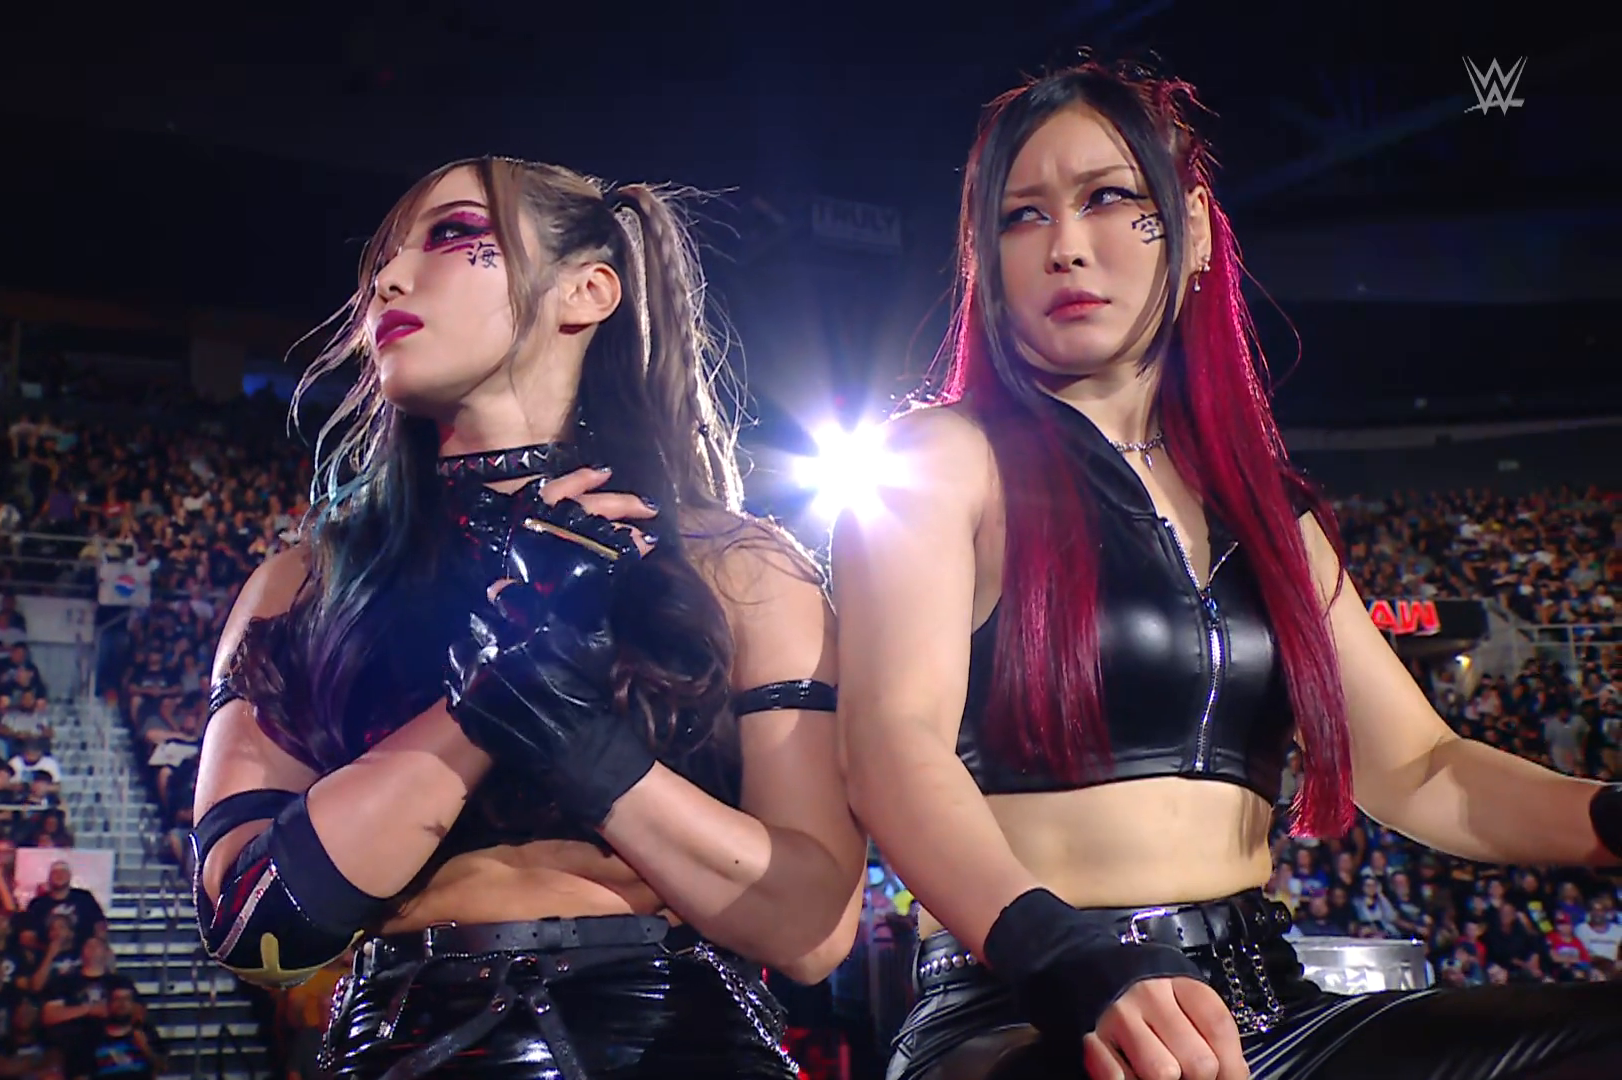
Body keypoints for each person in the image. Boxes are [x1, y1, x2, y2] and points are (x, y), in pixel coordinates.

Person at [833, 59, 1622, 1080]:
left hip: (1268, 1000)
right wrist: (1060, 956)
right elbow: (892, 748)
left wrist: (1608, 815)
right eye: (1022, 216)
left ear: (1195, 228)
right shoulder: (939, 460)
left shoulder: (1272, 513)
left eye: (1107, 198)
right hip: (1026, 1008)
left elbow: (1424, 771)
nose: (1065, 244)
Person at [192, 156, 863, 1079]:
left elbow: (812, 928)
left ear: (587, 291)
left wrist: (579, 741)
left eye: (453, 235)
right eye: (382, 260)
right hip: (404, 1049)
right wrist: (500, 682)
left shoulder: (739, 565)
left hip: (678, 1046)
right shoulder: (303, 582)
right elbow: (255, 926)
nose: (387, 281)